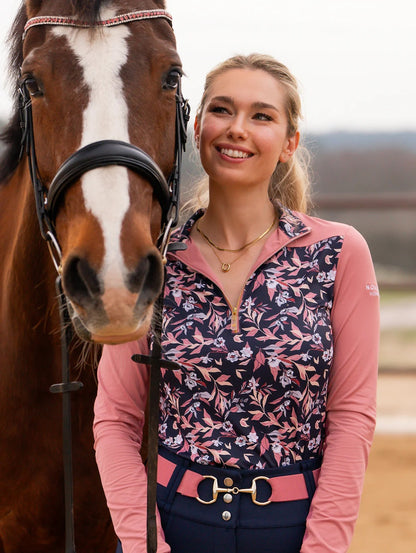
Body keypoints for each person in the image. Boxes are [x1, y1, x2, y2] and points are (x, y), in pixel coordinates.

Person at [93, 53, 379, 553]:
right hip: (167, 525)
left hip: (291, 530)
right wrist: (144, 545)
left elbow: (352, 417)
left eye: (262, 115)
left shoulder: (339, 253)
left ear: (289, 143)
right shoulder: (153, 261)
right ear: (198, 126)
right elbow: (115, 420)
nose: (237, 129)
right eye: (222, 111)